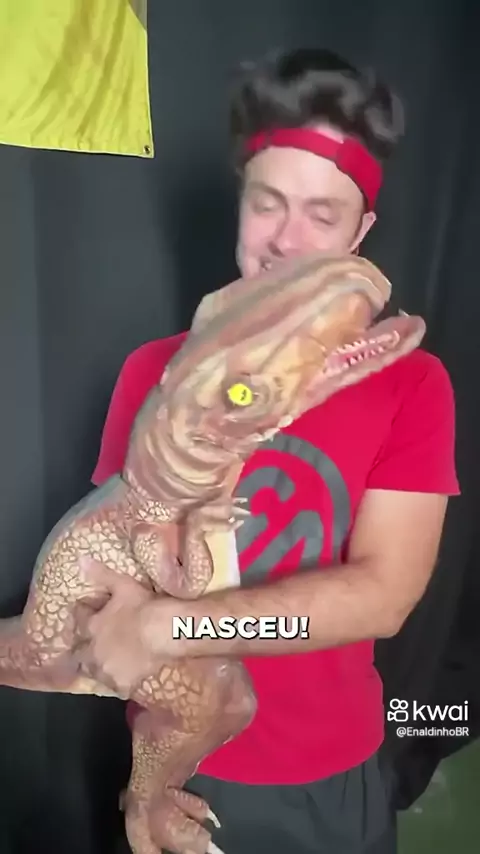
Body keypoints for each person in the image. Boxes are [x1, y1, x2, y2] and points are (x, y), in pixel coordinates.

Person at [82, 48, 460, 854]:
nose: (287, 241)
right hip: (179, 766)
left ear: (360, 233)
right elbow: (114, 575)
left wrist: (171, 627)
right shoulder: (153, 371)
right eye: (268, 204)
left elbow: (383, 596)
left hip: (331, 777)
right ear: (241, 206)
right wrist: (146, 784)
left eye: (322, 215)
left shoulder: (413, 384)